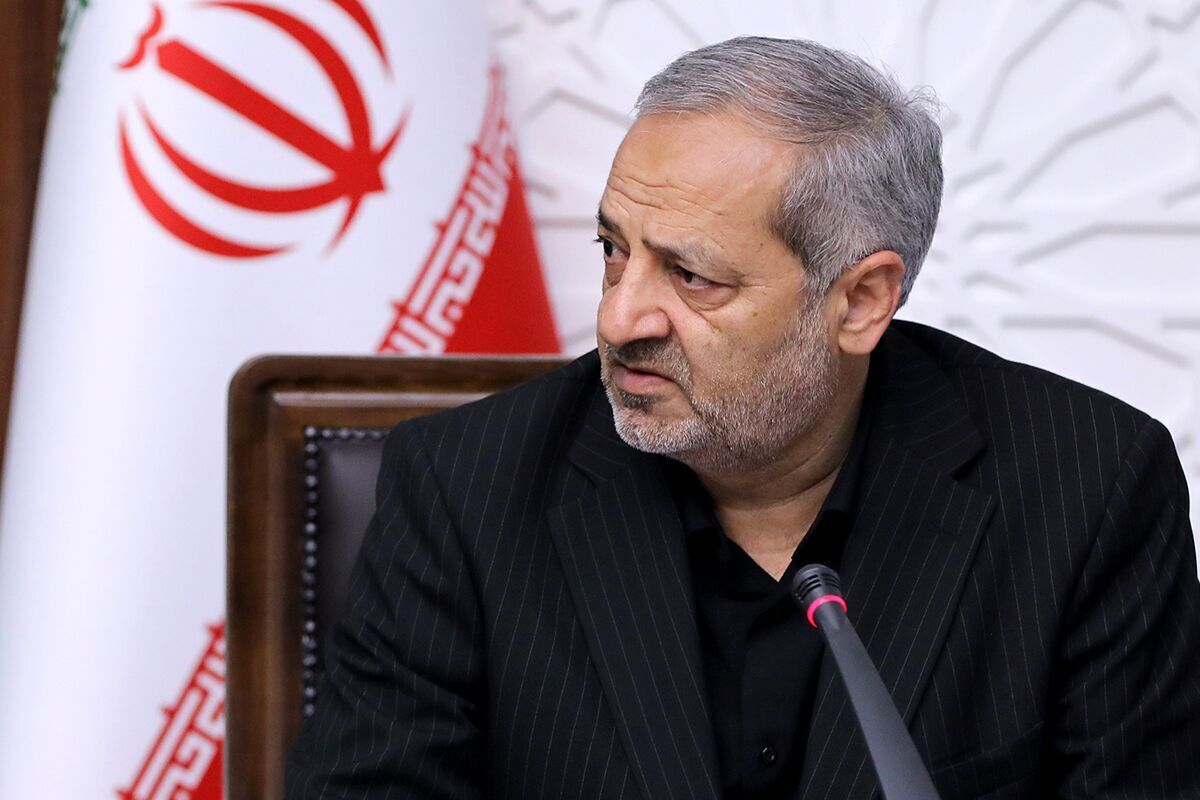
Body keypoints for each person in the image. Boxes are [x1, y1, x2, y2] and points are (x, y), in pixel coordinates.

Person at [286, 37, 1200, 799]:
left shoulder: (1087, 490)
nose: (619, 319)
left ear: (860, 301)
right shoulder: (465, 488)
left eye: (692, 277)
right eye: (613, 250)